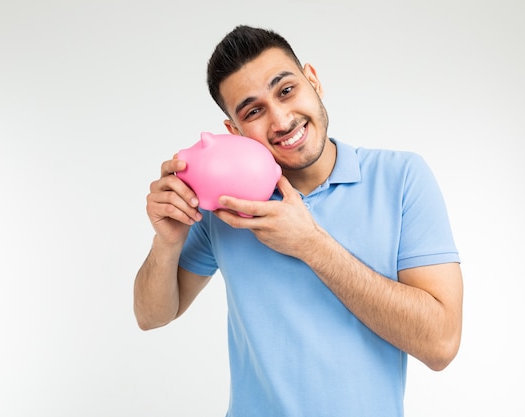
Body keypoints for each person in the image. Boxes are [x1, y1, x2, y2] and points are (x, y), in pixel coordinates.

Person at [134, 25, 463, 417]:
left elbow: (441, 344)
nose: (281, 119)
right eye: (253, 111)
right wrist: (167, 241)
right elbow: (151, 316)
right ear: (234, 132)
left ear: (313, 80)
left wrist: (311, 244)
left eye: (286, 89)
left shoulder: (402, 177)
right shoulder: (226, 208)